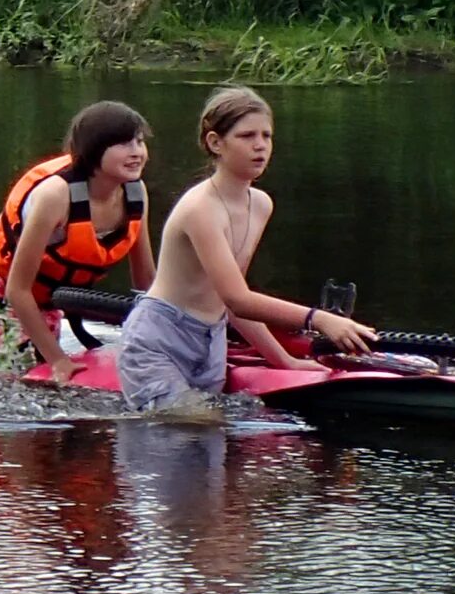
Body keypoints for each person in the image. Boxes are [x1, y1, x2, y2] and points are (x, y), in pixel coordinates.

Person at [118, 85, 377, 410]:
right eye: (247, 136)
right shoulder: (200, 208)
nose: (260, 146)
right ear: (216, 143)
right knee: (190, 427)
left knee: (209, 450)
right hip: (159, 340)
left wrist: (285, 361)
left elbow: (234, 303)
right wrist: (320, 319)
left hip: (211, 341)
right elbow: (237, 299)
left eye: (266, 136)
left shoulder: (261, 204)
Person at [0, 100, 157, 377]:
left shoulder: (135, 192)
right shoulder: (56, 196)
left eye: (139, 142)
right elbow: (17, 289)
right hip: (3, 291)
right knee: (19, 379)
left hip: (50, 298)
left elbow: (146, 283)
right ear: (93, 150)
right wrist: (58, 360)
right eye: (123, 144)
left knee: (43, 374)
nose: (136, 153)